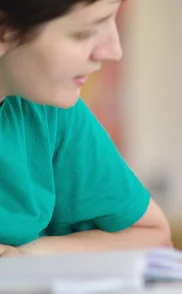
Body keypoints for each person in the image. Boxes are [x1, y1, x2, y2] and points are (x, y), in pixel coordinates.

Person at [0, 0, 171, 258]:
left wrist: (23, 255)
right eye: (85, 33)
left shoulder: (47, 106)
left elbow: (153, 237)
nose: (113, 51)